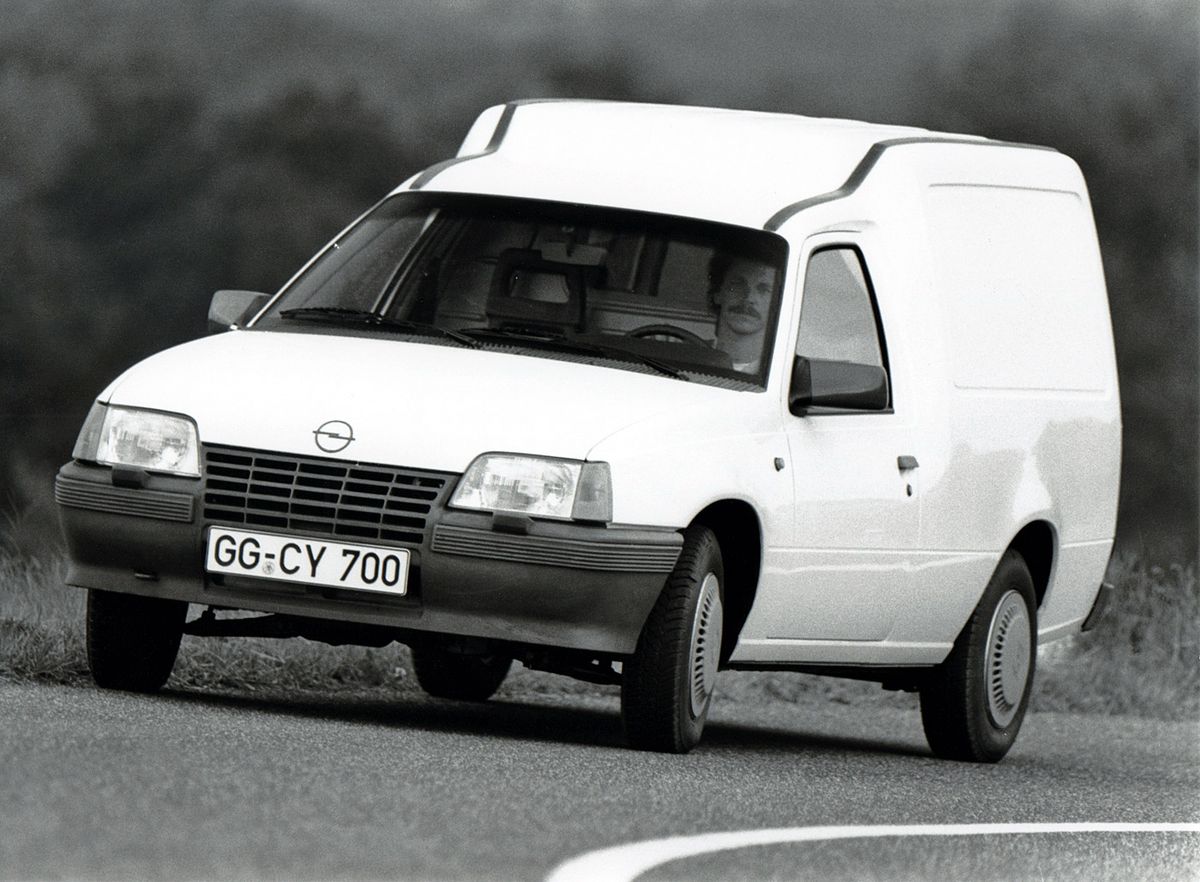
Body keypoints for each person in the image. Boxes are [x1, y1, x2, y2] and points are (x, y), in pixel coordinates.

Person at [709, 252, 776, 373]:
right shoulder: (690, 355)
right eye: (738, 285)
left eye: (764, 290)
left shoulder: (781, 371)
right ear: (718, 293)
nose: (749, 298)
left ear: (777, 304)